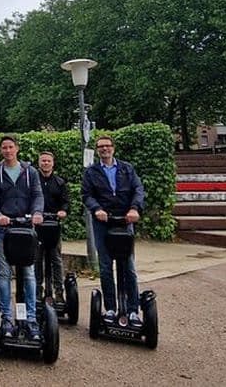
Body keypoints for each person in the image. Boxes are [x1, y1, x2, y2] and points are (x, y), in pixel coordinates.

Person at [0, 135, 44, 341]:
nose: (8, 151)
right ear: (1, 150)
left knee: (28, 273)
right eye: (4, 148)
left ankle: (31, 319)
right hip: (4, 229)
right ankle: (7, 318)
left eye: (11, 147)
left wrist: (37, 212)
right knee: (4, 273)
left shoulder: (30, 172)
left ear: (17, 148)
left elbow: (37, 195)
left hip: (26, 229)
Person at [81, 135, 145, 326]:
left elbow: (138, 189)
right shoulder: (91, 172)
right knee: (106, 267)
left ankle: (132, 311)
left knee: (129, 267)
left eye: (107, 146)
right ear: (97, 150)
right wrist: (97, 209)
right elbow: (86, 195)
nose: (104, 149)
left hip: (125, 220)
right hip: (103, 222)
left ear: (113, 148)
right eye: (101, 147)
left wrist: (134, 208)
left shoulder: (127, 168)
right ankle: (110, 308)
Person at [35, 151, 69, 303]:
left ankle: (59, 292)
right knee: (37, 259)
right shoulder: (34, 181)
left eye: (48, 161)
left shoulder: (59, 182)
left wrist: (63, 211)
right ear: (39, 163)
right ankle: (37, 291)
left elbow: (65, 202)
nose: (46, 163)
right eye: (43, 161)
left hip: (54, 225)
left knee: (56, 259)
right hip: (37, 226)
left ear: (53, 163)